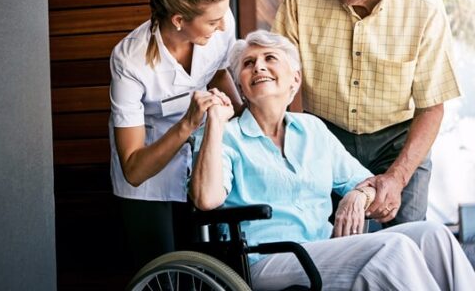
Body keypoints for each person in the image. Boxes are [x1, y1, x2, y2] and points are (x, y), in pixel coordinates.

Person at [190, 30, 475, 290]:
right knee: (392, 248)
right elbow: (206, 198)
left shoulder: (312, 130)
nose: (259, 67)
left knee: (433, 236)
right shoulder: (225, 135)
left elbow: (367, 183)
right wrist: (214, 122)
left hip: (323, 247)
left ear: (295, 79)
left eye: (270, 58)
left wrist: (358, 194)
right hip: (266, 258)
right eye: (248, 63)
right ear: (240, 86)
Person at [272, 0, 461, 227]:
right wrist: (297, 148)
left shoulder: (424, 7)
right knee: (330, 239)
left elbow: (432, 107)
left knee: (408, 240)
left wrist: (397, 178)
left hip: (398, 140)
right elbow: (282, 81)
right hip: (325, 134)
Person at [109, 0, 243, 270]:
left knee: (205, 263)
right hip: (147, 174)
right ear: (180, 20)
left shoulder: (221, 22)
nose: (224, 26)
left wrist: (242, 115)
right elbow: (134, 169)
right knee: (161, 267)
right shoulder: (129, 60)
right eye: (212, 22)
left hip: (198, 156)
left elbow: (219, 71)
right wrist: (188, 123)